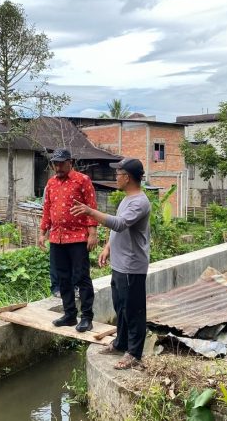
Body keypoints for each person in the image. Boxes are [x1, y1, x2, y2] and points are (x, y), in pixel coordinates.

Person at [71, 158, 151, 370]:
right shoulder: (126, 199)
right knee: (121, 308)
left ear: (128, 177)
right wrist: (108, 247)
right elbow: (116, 228)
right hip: (120, 264)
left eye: (119, 174)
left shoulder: (140, 202)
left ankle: (134, 353)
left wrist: (90, 211)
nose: (116, 177)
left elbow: (120, 223)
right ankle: (120, 344)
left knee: (134, 311)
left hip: (132, 265)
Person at [38, 148, 98, 332]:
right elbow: (47, 209)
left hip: (78, 236)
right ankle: (70, 314)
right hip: (57, 237)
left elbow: (91, 206)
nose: (57, 167)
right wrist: (42, 232)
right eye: (55, 163)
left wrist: (93, 233)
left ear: (69, 162)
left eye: (61, 163)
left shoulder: (82, 180)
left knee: (81, 277)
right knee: (63, 278)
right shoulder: (51, 183)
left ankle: (87, 317)